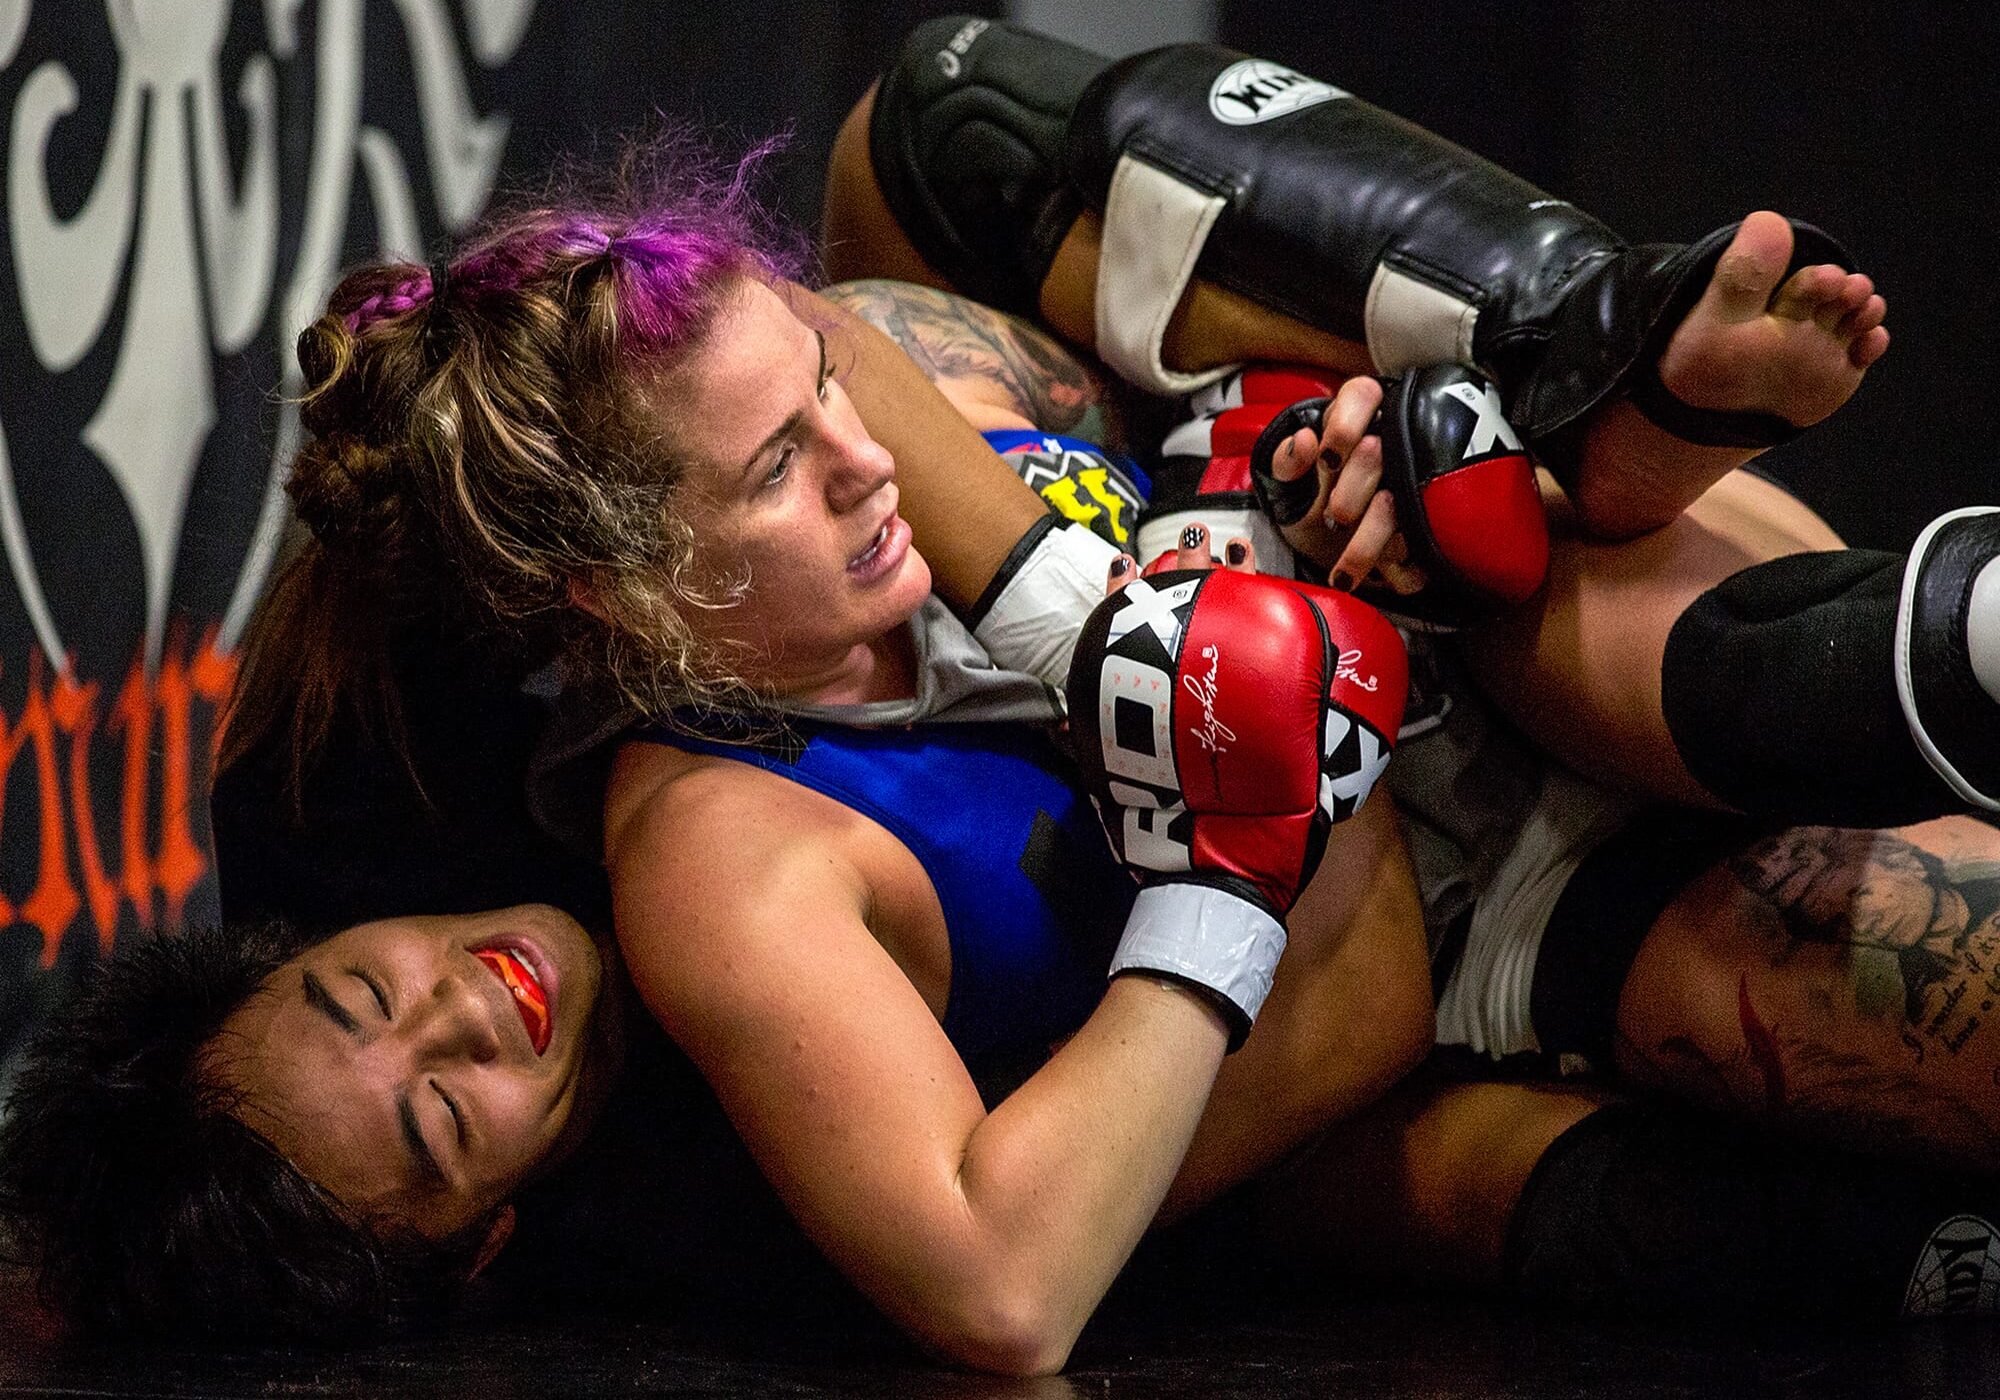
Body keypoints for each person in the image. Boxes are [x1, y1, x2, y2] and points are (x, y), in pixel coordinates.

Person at [1, 24, 1984, 1369]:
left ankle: (1606, 366)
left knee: (948, 137)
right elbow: (1047, 1255)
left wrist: (1218, 538)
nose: (459, 1006)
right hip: (1415, 935)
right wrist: (1236, 832)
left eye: (365, 992)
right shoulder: (718, 874)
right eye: (443, 1110)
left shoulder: (821, 410)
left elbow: (819, 368)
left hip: (1443, 631)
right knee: (1818, 947)